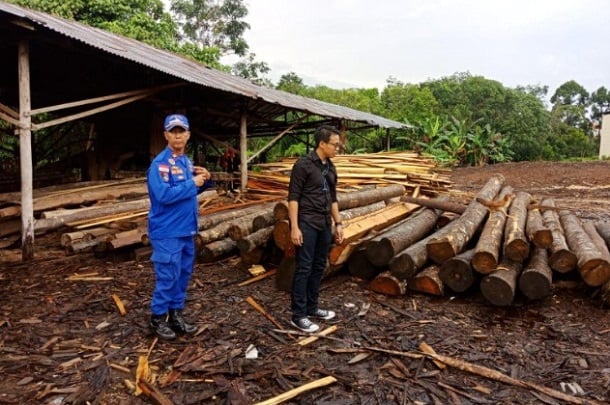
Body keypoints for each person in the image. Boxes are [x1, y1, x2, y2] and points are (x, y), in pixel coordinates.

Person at [147, 113, 212, 340]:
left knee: (183, 275)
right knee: (167, 276)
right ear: (165, 135)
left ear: (188, 135)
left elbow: (189, 191)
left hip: (186, 230)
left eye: (181, 131)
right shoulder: (160, 165)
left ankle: (176, 315)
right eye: (172, 131)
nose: (177, 136)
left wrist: (205, 180)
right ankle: (157, 319)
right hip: (167, 232)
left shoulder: (185, 162)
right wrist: (191, 183)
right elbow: (163, 195)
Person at [287, 125, 345, 333]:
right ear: (322, 143)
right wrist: (294, 227)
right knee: (304, 266)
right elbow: (293, 198)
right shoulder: (303, 165)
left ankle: (312, 307)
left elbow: (333, 198)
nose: (337, 148)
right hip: (307, 222)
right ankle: (298, 315)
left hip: (323, 224)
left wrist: (338, 223)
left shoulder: (330, 167)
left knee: (319, 265)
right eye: (335, 145)